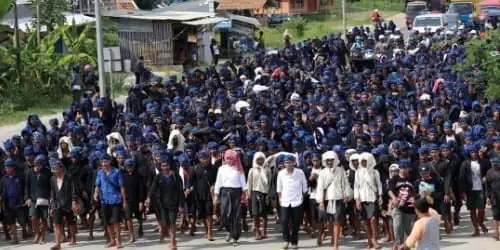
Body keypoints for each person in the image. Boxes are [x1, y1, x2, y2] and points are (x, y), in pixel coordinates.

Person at [145, 156, 184, 250]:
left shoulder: (176, 176)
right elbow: (153, 187)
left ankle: (173, 242)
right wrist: (148, 198)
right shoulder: (159, 176)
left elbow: (180, 191)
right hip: (163, 204)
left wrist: (181, 205)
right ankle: (165, 234)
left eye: (166, 165)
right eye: (163, 166)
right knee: (165, 222)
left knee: (172, 223)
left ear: (169, 166)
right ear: (161, 167)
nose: (165, 167)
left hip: (174, 204)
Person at [316, 151, 352, 249]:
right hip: (327, 200)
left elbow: (345, 184)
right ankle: (332, 237)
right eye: (328, 160)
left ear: (335, 160)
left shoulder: (341, 170)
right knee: (329, 222)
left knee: (337, 221)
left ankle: (336, 243)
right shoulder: (322, 172)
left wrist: (347, 195)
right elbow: (320, 187)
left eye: (331, 160)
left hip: (338, 198)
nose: (330, 162)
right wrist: (321, 202)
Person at [214, 149, 248, 246]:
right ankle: (229, 231)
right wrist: (216, 195)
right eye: (227, 159)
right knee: (223, 214)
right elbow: (218, 182)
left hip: (236, 193)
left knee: (235, 216)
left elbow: (243, 183)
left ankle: (235, 237)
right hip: (225, 192)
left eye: (231, 159)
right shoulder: (221, 168)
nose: (229, 161)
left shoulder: (239, 168)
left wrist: (246, 194)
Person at [94, 153, 127, 248]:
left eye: (106, 161)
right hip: (104, 200)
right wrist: (95, 193)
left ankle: (119, 241)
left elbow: (122, 187)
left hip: (115, 199)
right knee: (107, 221)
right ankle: (112, 240)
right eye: (102, 162)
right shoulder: (100, 172)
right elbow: (97, 185)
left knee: (116, 221)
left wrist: (124, 201)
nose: (104, 164)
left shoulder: (117, 172)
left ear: (110, 161)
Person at [277, 154, 307, 249]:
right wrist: (280, 199)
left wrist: (302, 197)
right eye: (286, 163)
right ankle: (286, 240)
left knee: (296, 223)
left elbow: (305, 187)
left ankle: (294, 242)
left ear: (294, 163)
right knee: (284, 221)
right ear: (284, 164)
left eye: (290, 162)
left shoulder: (300, 172)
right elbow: (279, 188)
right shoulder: (281, 173)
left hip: (297, 201)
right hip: (285, 201)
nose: (288, 164)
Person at [354, 152, 383, 249]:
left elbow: (379, 185)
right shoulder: (358, 172)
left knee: (373, 219)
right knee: (365, 221)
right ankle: (369, 240)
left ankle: (374, 239)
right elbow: (356, 187)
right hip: (362, 199)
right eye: (362, 161)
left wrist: (380, 196)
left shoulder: (375, 172)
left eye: (365, 161)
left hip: (372, 198)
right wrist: (357, 200)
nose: (363, 163)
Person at [459, 144, 489, 236]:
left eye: (475, 152)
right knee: (472, 210)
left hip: (481, 189)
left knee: (481, 209)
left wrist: (486, 177)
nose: (474, 154)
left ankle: (481, 223)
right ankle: (476, 229)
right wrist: (463, 192)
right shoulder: (465, 163)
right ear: (469, 153)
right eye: (472, 152)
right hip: (470, 190)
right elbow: (461, 178)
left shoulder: (484, 162)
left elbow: (490, 172)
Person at [49, 158, 79, 250]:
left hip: (68, 203)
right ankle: (57, 243)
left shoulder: (69, 177)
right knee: (57, 224)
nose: (55, 171)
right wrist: (52, 205)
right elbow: (52, 192)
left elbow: (74, 190)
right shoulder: (53, 179)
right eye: (54, 169)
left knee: (71, 222)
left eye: (57, 169)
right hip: (57, 204)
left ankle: (73, 237)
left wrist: (74, 201)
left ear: (61, 168)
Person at [389, 159, 417, 248]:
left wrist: (414, 198)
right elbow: (390, 190)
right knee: (397, 227)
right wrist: (394, 198)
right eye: (402, 167)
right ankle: (398, 244)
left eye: (406, 168)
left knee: (409, 230)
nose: (404, 170)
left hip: (410, 208)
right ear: (399, 169)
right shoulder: (394, 179)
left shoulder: (414, 179)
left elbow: (417, 191)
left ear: (409, 169)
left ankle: (407, 245)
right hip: (398, 207)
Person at [25, 155, 51, 244]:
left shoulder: (47, 172)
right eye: (35, 165)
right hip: (33, 199)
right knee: (33, 217)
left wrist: (51, 198)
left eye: (38, 165)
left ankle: (42, 237)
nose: (36, 166)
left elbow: (51, 186)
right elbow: (27, 186)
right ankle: (37, 234)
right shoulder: (30, 172)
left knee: (44, 219)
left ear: (43, 165)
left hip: (44, 198)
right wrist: (27, 198)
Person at [193, 150, 218, 241]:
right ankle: (206, 230)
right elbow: (192, 181)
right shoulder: (196, 168)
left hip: (209, 194)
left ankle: (210, 232)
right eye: (202, 158)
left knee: (209, 213)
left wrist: (214, 186)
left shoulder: (214, 168)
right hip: (199, 194)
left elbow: (218, 179)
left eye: (206, 158)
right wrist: (188, 188)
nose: (204, 160)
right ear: (199, 159)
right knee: (203, 214)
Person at [247, 151, 272, 240]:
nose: (260, 161)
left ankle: (264, 232)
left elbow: (270, 183)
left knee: (264, 214)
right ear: (255, 160)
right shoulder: (252, 170)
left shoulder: (268, 169)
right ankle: (257, 232)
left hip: (265, 193)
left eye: (262, 159)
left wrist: (268, 195)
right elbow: (249, 183)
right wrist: (248, 195)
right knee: (255, 214)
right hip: (255, 193)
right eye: (258, 159)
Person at [0, 159, 25, 244]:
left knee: (22, 220)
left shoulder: (20, 177)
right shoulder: (4, 179)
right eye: (6, 167)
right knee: (11, 221)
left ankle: (25, 231)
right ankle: (15, 238)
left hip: (19, 202)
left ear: (13, 167)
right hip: (8, 203)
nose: (8, 169)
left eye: (9, 167)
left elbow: (24, 189)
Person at [122, 158, 145, 242]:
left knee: (139, 217)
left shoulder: (139, 176)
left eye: (131, 166)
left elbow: (142, 189)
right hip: (128, 200)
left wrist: (141, 201)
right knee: (128, 218)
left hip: (137, 199)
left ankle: (140, 227)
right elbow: (122, 189)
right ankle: (132, 235)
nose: (129, 168)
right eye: (128, 166)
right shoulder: (123, 176)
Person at [485, 157, 500, 240]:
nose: (494, 165)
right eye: (493, 164)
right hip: (494, 197)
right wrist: (487, 197)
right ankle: (496, 233)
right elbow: (487, 187)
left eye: (496, 164)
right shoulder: (489, 172)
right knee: (495, 216)